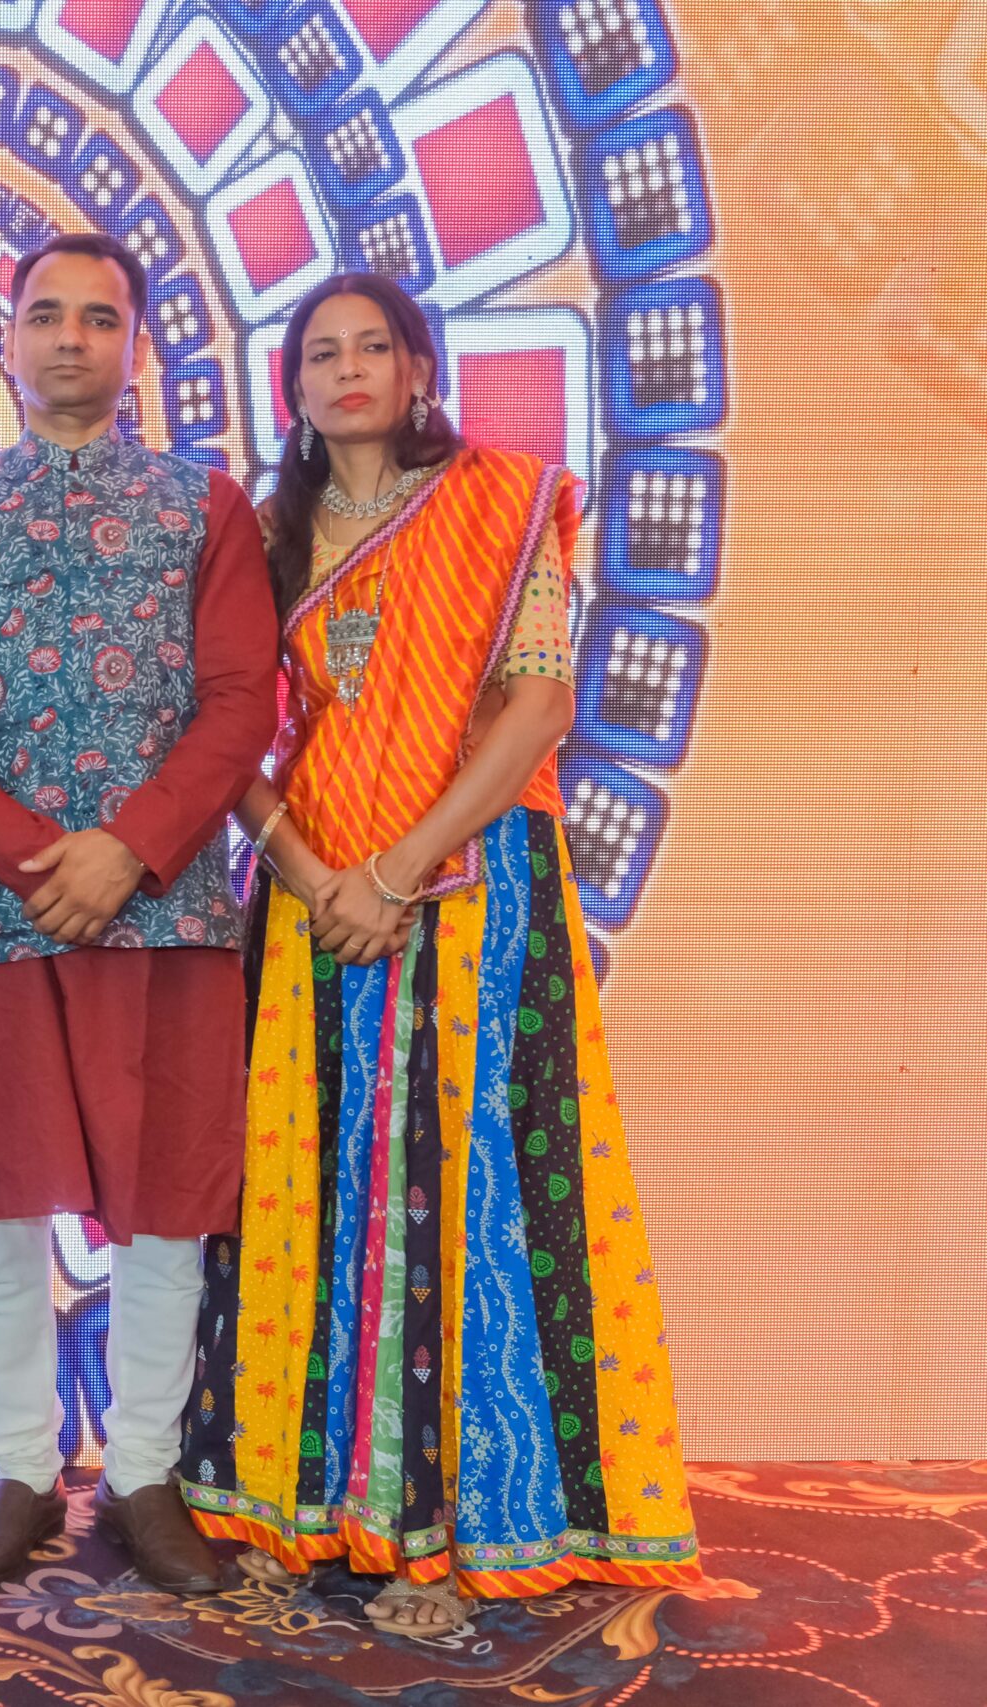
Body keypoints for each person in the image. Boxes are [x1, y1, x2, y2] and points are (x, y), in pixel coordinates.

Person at [177, 272, 703, 1636]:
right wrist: (312, 873)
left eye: (375, 346)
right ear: (293, 386)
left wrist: (400, 869)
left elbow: (539, 706)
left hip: (472, 881)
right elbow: (224, 729)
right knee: (317, 1178)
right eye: (321, 353)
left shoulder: (497, 503)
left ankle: (473, 1518)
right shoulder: (264, 537)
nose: (348, 369)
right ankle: (307, 1500)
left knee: (465, 1187)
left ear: (419, 368)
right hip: (310, 894)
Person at [0, 234, 277, 1591]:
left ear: (134, 344)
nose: (71, 339)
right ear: (11, 338)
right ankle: (24, 1470)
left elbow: (241, 706)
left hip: (170, 915)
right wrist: (42, 862)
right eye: (47, 315)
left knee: (169, 1203)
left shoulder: (205, 508)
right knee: (2, 1205)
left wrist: (132, 852)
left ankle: (145, 1474)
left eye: (100, 319)